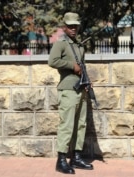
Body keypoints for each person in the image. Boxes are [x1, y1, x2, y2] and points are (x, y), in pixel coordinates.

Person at [48, 12, 93, 174]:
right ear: (64, 27)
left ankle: (76, 157)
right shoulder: (61, 44)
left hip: (80, 87)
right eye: (70, 26)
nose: (73, 29)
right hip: (68, 89)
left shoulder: (79, 44)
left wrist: (87, 82)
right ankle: (61, 160)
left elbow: (83, 66)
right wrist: (71, 66)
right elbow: (52, 61)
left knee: (81, 124)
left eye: (75, 26)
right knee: (67, 125)